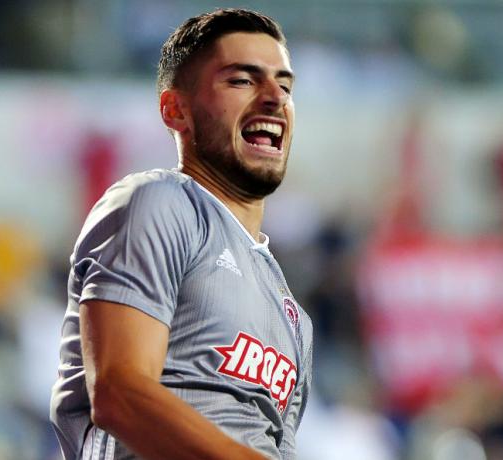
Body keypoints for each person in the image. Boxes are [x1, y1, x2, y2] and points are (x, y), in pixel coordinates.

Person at [50, 8, 313, 460]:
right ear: (176, 110)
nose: (274, 97)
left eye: (285, 86)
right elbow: (119, 393)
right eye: (242, 80)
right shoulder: (160, 202)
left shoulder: (294, 318)